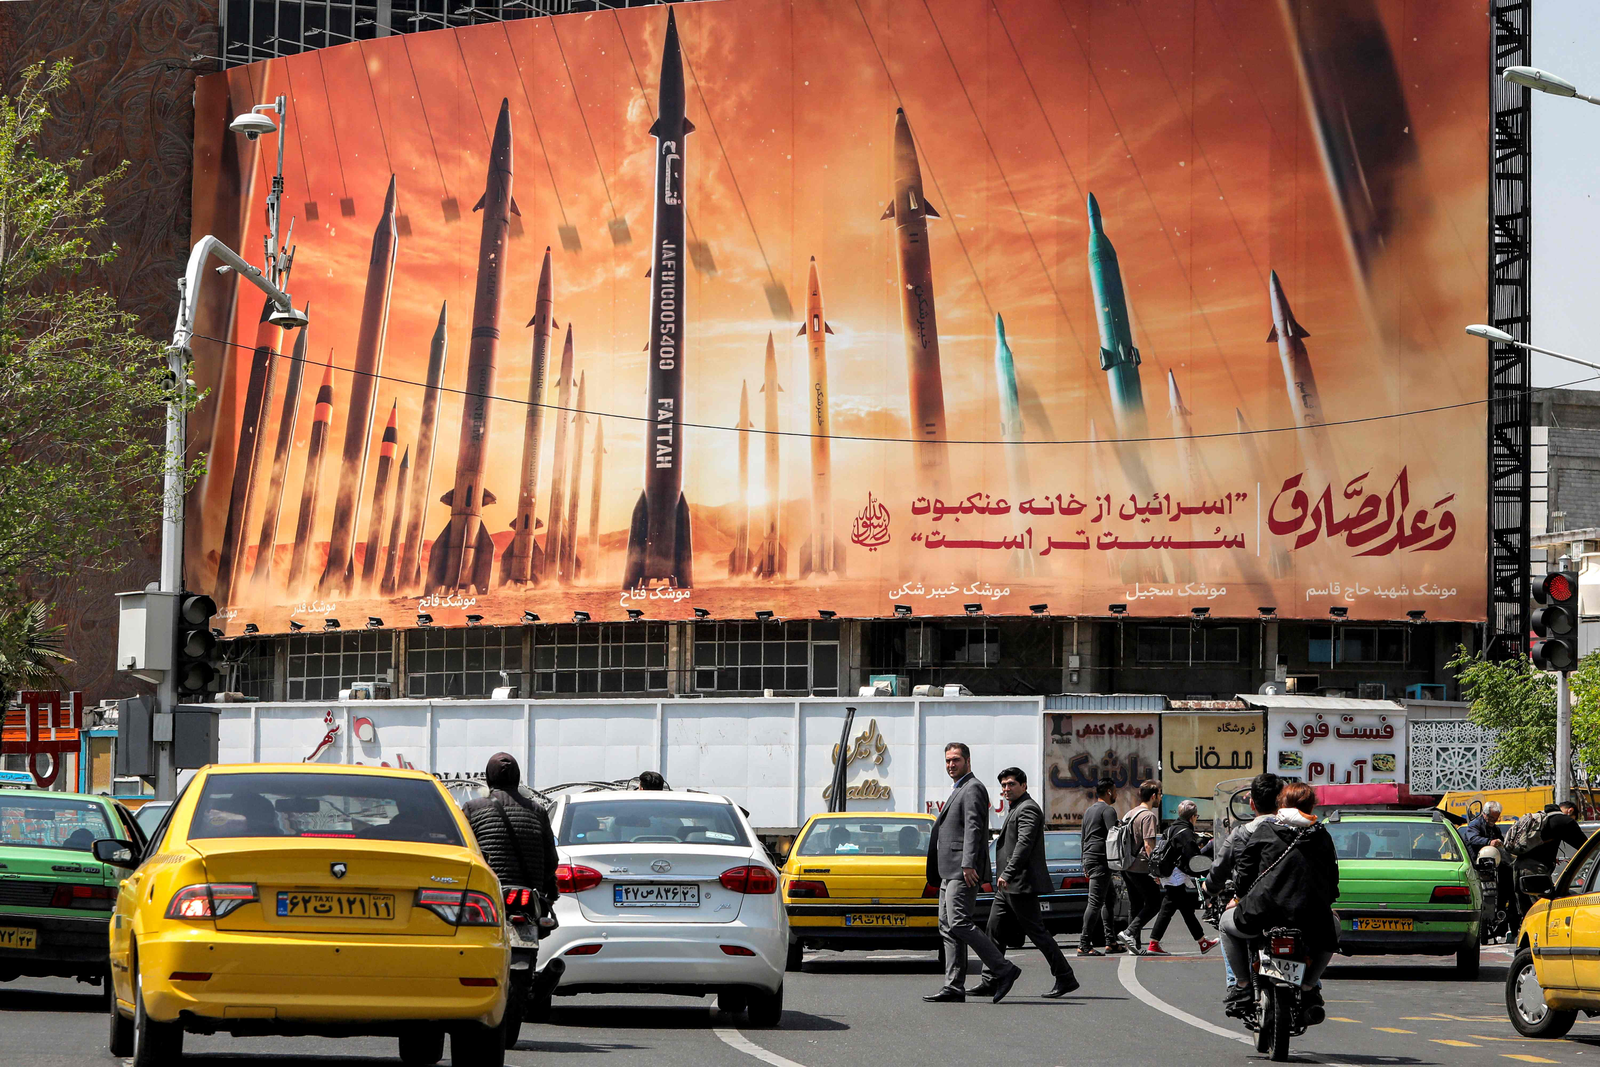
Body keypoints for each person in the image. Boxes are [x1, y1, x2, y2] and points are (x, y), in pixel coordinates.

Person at [1219, 781, 1340, 1023]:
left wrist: (1237, 897)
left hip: (1263, 912)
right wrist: (1325, 904)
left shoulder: (1266, 830)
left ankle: (1242, 985)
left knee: (1224, 923)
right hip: (1309, 916)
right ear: (1312, 806)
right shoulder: (1322, 835)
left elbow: (1244, 872)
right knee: (1334, 930)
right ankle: (1309, 986)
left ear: (1281, 805)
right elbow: (1332, 880)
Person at [924, 743, 1021, 1004]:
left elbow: (974, 829)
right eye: (947, 761)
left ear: (968, 760)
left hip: (961, 870)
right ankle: (954, 986)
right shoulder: (959, 788)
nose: (951, 765)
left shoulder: (973, 787)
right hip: (948, 870)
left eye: (955, 760)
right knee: (947, 928)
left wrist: (968, 863)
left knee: (958, 922)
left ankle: (1004, 969)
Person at [974, 768, 1080, 999]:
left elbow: (1024, 844)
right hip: (1008, 886)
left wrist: (1009, 873)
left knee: (1037, 932)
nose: (1006, 789)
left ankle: (1065, 976)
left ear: (1024, 785)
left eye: (1011, 784)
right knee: (994, 930)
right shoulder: (1015, 808)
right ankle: (991, 979)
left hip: (1019, 883)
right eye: (1003, 785)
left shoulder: (1028, 809)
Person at [1210, 773, 1280, 988]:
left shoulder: (1241, 834)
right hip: (1292, 909)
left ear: (1251, 803)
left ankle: (1238, 983)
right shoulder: (1299, 832)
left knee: (1225, 923)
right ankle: (1312, 984)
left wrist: (1211, 888)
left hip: (1253, 911)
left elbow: (1219, 871)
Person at [462, 752, 559, 904]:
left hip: (488, 893)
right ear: (517, 776)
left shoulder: (472, 809)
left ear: (489, 777)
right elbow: (551, 861)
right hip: (530, 897)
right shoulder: (537, 811)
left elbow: (464, 854)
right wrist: (548, 891)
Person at [1146, 799, 1219, 956]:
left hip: (1168, 873)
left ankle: (1201, 942)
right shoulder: (1185, 832)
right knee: (1172, 908)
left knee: (1181, 909)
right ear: (1192, 817)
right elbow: (1193, 858)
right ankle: (1151, 943)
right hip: (1176, 875)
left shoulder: (1171, 828)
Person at [1115, 780, 1163, 955]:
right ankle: (1128, 933)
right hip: (1140, 867)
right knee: (1154, 903)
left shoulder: (1131, 813)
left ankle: (1133, 944)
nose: (1161, 797)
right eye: (1160, 794)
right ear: (1153, 796)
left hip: (1126, 865)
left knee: (1135, 905)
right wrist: (1155, 870)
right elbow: (1149, 845)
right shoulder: (1148, 816)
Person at [1078, 777, 1122, 956]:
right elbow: (1114, 836)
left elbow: (1083, 837)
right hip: (1101, 860)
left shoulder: (1089, 811)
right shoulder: (1108, 810)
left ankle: (1110, 941)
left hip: (1091, 858)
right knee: (1095, 902)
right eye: (1116, 790)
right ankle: (1084, 944)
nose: (1117, 794)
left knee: (1109, 899)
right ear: (1110, 791)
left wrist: (1084, 861)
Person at [1513, 803, 1590, 906]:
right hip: (1536, 872)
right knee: (1544, 909)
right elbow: (1586, 846)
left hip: (1518, 869)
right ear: (1570, 811)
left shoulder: (1539, 819)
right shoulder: (1564, 821)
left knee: (1526, 914)